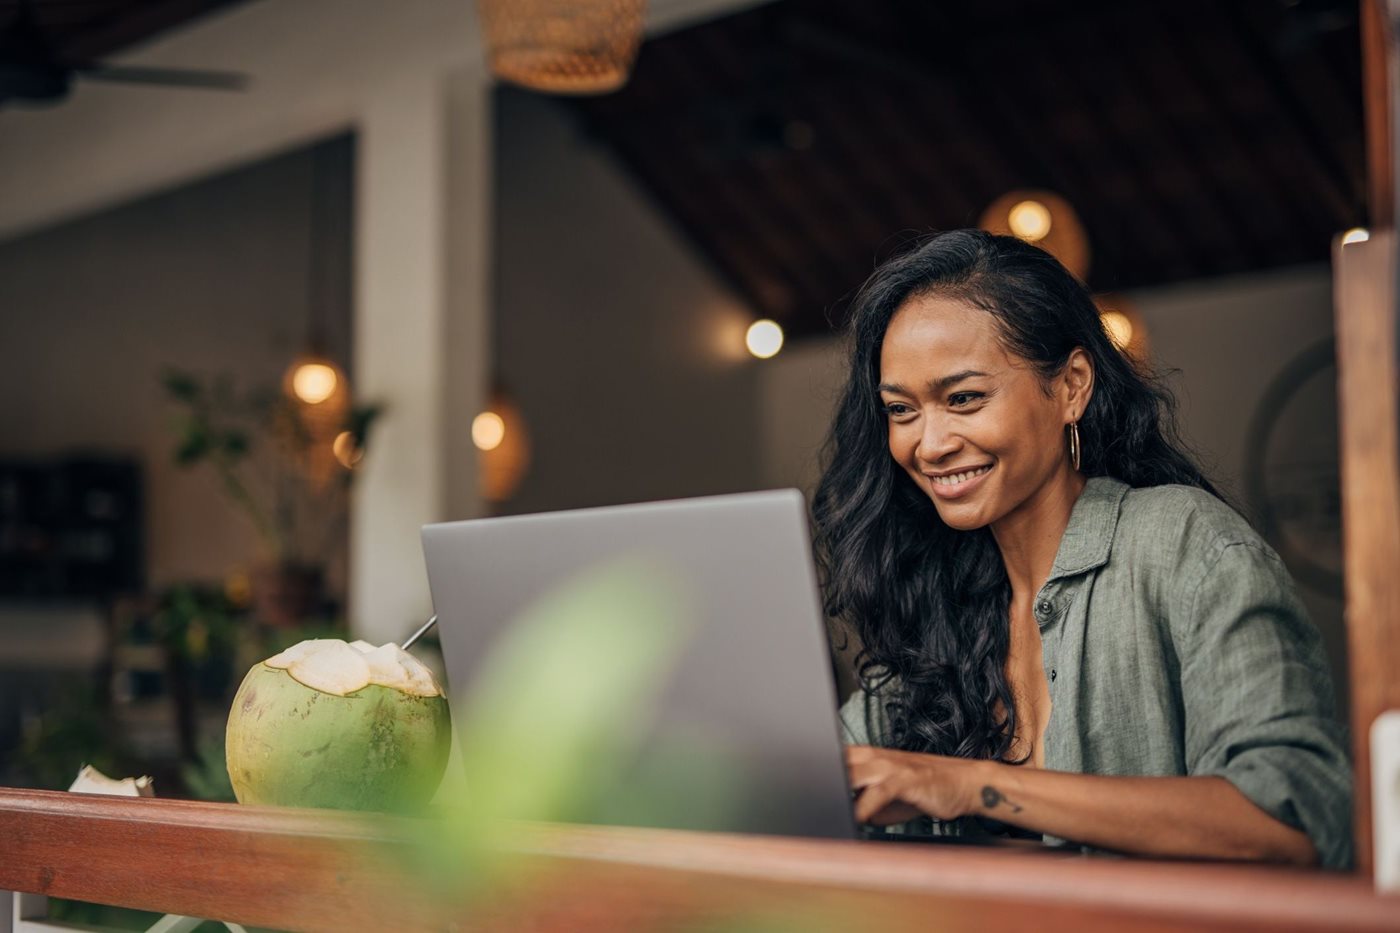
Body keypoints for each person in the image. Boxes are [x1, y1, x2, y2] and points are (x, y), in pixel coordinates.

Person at [811, 229, 1351, 868]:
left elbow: (1294, 820)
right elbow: (829, 778)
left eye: (964, 399)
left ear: (1070, 385)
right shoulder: (933, 598)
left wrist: (969, 786)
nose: (928, 445)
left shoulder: (1183, 546)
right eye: (902, 411)